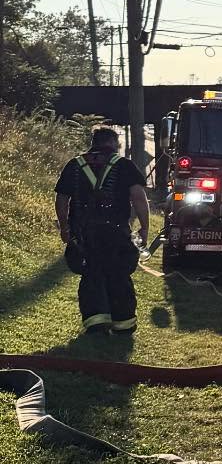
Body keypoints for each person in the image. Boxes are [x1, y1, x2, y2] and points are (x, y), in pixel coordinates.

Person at [54, 125, 150, 333]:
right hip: (117, 232)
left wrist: (64, 227)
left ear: (94, 143)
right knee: (119, 274)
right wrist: (144, 228)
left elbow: (62, 199)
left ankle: (96, 322)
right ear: (115, 143)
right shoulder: (124, 165)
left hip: (84, 233)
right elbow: (138, 197)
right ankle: (123, 323)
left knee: (91, 273)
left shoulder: (75, 165)